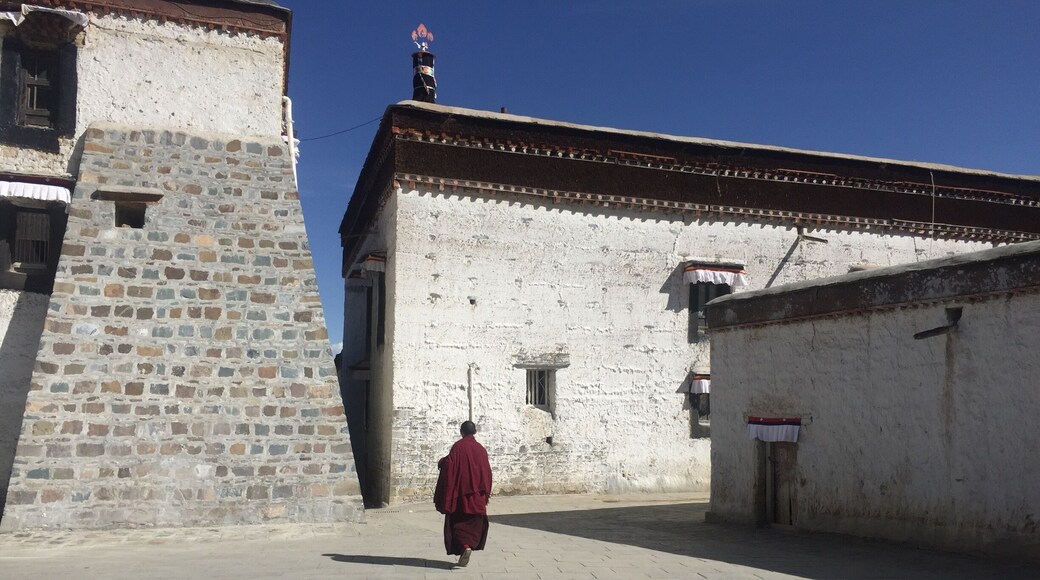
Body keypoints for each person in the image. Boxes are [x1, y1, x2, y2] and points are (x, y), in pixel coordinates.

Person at [434, 420, 492, 568]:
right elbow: (487, 473)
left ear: (462, 432)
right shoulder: (481, 449)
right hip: (476, 497)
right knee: (473, 525)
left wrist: (442, 462)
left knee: (458, 524)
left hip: (460, 496)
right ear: (475, 432)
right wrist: (485, 494)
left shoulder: (458, 447)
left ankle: (465, 546)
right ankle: (468, 546)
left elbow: (450, 467)